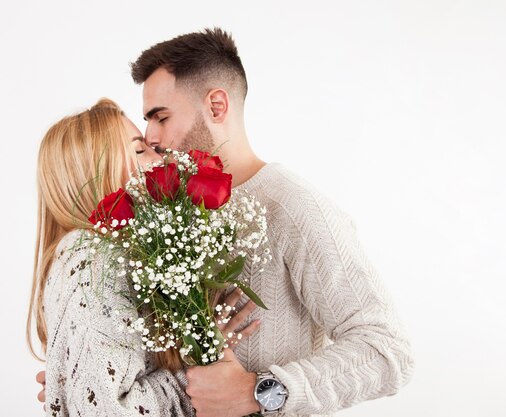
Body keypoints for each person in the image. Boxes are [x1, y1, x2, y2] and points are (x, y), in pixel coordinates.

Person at [129, 28, 415, 417]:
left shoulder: (295, 207)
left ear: (216, 106)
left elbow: (387, 350)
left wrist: (260, 391)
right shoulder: (171, 213)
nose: (151, 137)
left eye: (160, 117)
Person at [28, 99, 260, 415]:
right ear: (96, 172)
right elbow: (111, 411)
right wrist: (199, 365)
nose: (158, 156)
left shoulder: (111, 255)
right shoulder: (90, 260)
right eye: (139, 151)